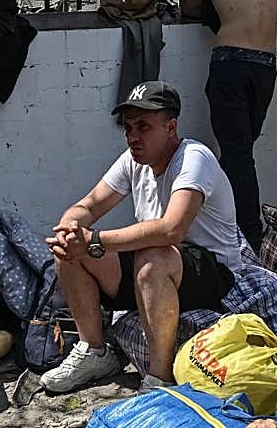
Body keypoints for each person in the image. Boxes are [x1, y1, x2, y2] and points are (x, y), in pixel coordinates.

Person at [40, 81, 240, 394]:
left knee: (152, 256)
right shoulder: (133, 160)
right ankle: (94, 350)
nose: (133, 136)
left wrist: (94, 240)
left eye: (143, 127)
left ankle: (159, 377)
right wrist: (70, 230)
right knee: (69, 249)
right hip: (158, 267)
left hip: (212, 271)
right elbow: (89, 205)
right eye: (128, 127)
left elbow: (171, 230)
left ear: (171, 127)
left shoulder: (194, 158)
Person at [179, 0, 277, 249]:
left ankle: (250, 232)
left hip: (231, 64)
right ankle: (226, 220)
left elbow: (188, 7)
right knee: (241, 152)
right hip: (266, 67)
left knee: (237, 156)